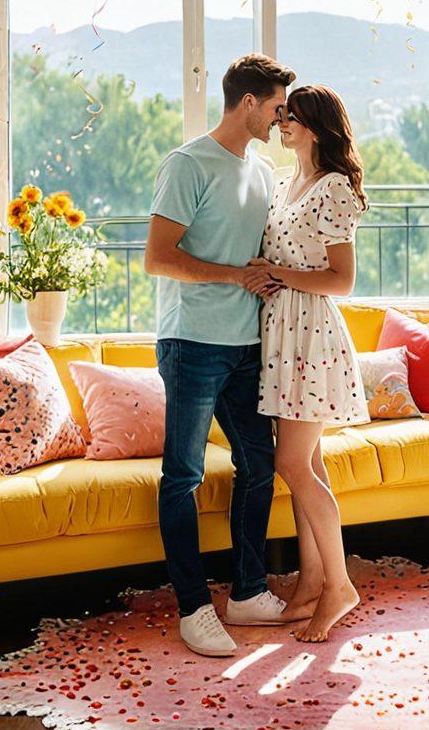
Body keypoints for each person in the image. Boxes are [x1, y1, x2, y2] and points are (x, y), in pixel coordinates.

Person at [144, 54, 296, 657]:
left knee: (260, 464)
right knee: (181, 475)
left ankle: (248, 591)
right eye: (278, 106)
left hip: (246, 345)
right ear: (250, 102)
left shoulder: (260, 172)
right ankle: (193, 607)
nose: (282, 118)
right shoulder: (187, 164)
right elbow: (158, 257)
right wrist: (236, 277)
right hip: (192, 343)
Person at [244, 85, 369, 643]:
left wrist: (276, 275)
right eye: (281, 115)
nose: (281, 124)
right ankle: (312, 581)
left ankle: (339, 585)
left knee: (291, 464)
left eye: (291, 117)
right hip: (283, 334)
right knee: (307, 465)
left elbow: (341, 280)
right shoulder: (283, 181)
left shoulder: (334, 188)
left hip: (312, 336)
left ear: (316, 126)